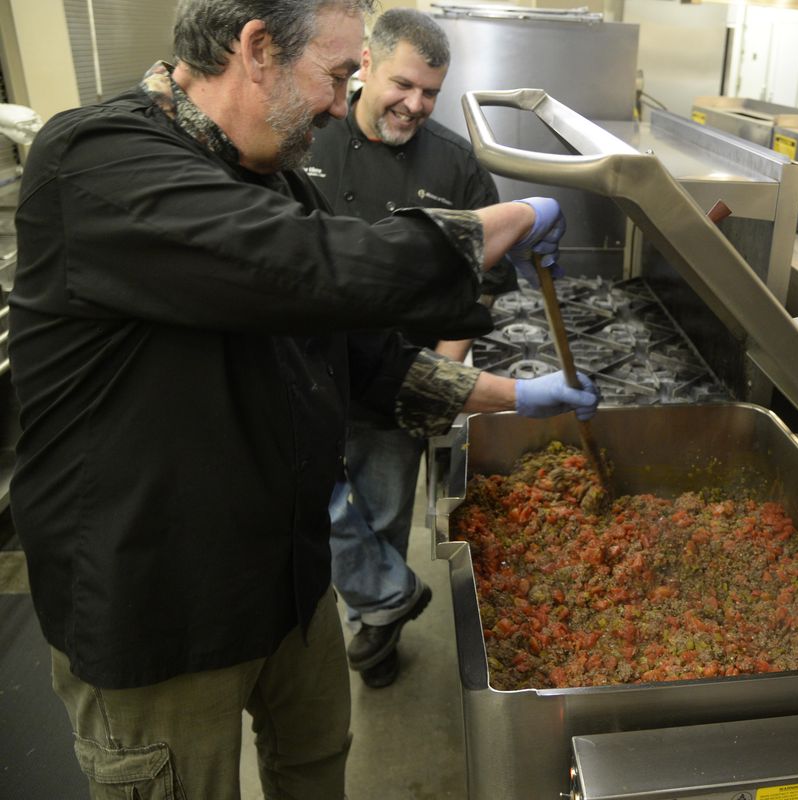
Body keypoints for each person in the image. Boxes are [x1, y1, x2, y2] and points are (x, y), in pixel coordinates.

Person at [7, 1, 597, 798]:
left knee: (316, 766)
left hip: (287, 582)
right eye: (338, 75)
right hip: (161, 605)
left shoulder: (275, 176)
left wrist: (514, 395)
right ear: (256, 49)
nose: (337, 100)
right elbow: (303, 264)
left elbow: (366, 358)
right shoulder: (97, 159)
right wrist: (500, 222)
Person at [303, 9, 510, 690]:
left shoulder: (452, 161)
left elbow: (483, 281)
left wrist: (445, 367)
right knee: (306, 505)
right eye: (404, 85)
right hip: (305, 369)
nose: (415, 105)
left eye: (430, 92)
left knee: (384, 511)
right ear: (365, 63)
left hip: (399, 382)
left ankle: (377, 633)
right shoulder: (309, 136)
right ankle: (372, 601)